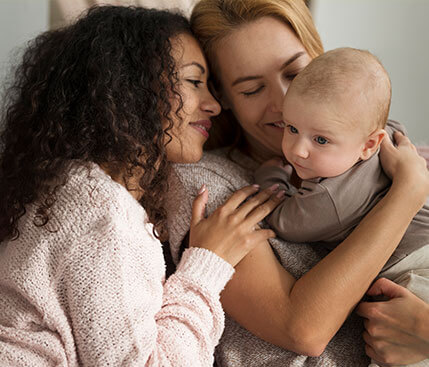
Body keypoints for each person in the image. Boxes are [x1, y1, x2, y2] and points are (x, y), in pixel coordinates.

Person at [0, 6, 284, 366]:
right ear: (129, 86)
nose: (213, 106)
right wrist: (207, 265)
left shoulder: (67, 186)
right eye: (194, 82)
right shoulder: (104, 214)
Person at [165, 0, 429, 365]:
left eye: (295, 73)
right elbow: (302, 330)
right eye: (252, 89)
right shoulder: (206, 186)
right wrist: (407, 194)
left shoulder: (386, 152)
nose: (285, 101)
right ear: (222, 97)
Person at [253, 47, 429, 367]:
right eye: (291, 128)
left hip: (416, 270)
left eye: (320, 140)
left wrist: (272, 173)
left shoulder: (328, 199)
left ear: (369, 145)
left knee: (393, 347)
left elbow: (281, 218)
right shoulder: (383, 132)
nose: (297, 150)